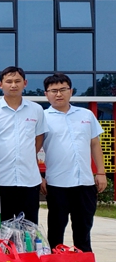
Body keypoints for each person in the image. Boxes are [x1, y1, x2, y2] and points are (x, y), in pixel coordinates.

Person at [42, 73, 106, 252]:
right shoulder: (43, 117)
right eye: (53, 90)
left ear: (71, 91)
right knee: (56, 230)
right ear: (46, 94)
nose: (58, 94)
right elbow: (33, 147)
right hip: (57, 184)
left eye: (63, 89)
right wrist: (40, 177)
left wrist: (101, 172)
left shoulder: (86, 114)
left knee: (83, 229)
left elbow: (95, 144)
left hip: (84, 182)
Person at [0, 66, 48, 224]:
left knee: (29, 227)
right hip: (1, 178)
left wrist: (28, 155)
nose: (13, 85)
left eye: (17, 81)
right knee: (2, 227)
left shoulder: (36, 109)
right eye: (9, 81)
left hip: (29, 179)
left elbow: (39, 138)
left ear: (25, 83)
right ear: (0, 84)